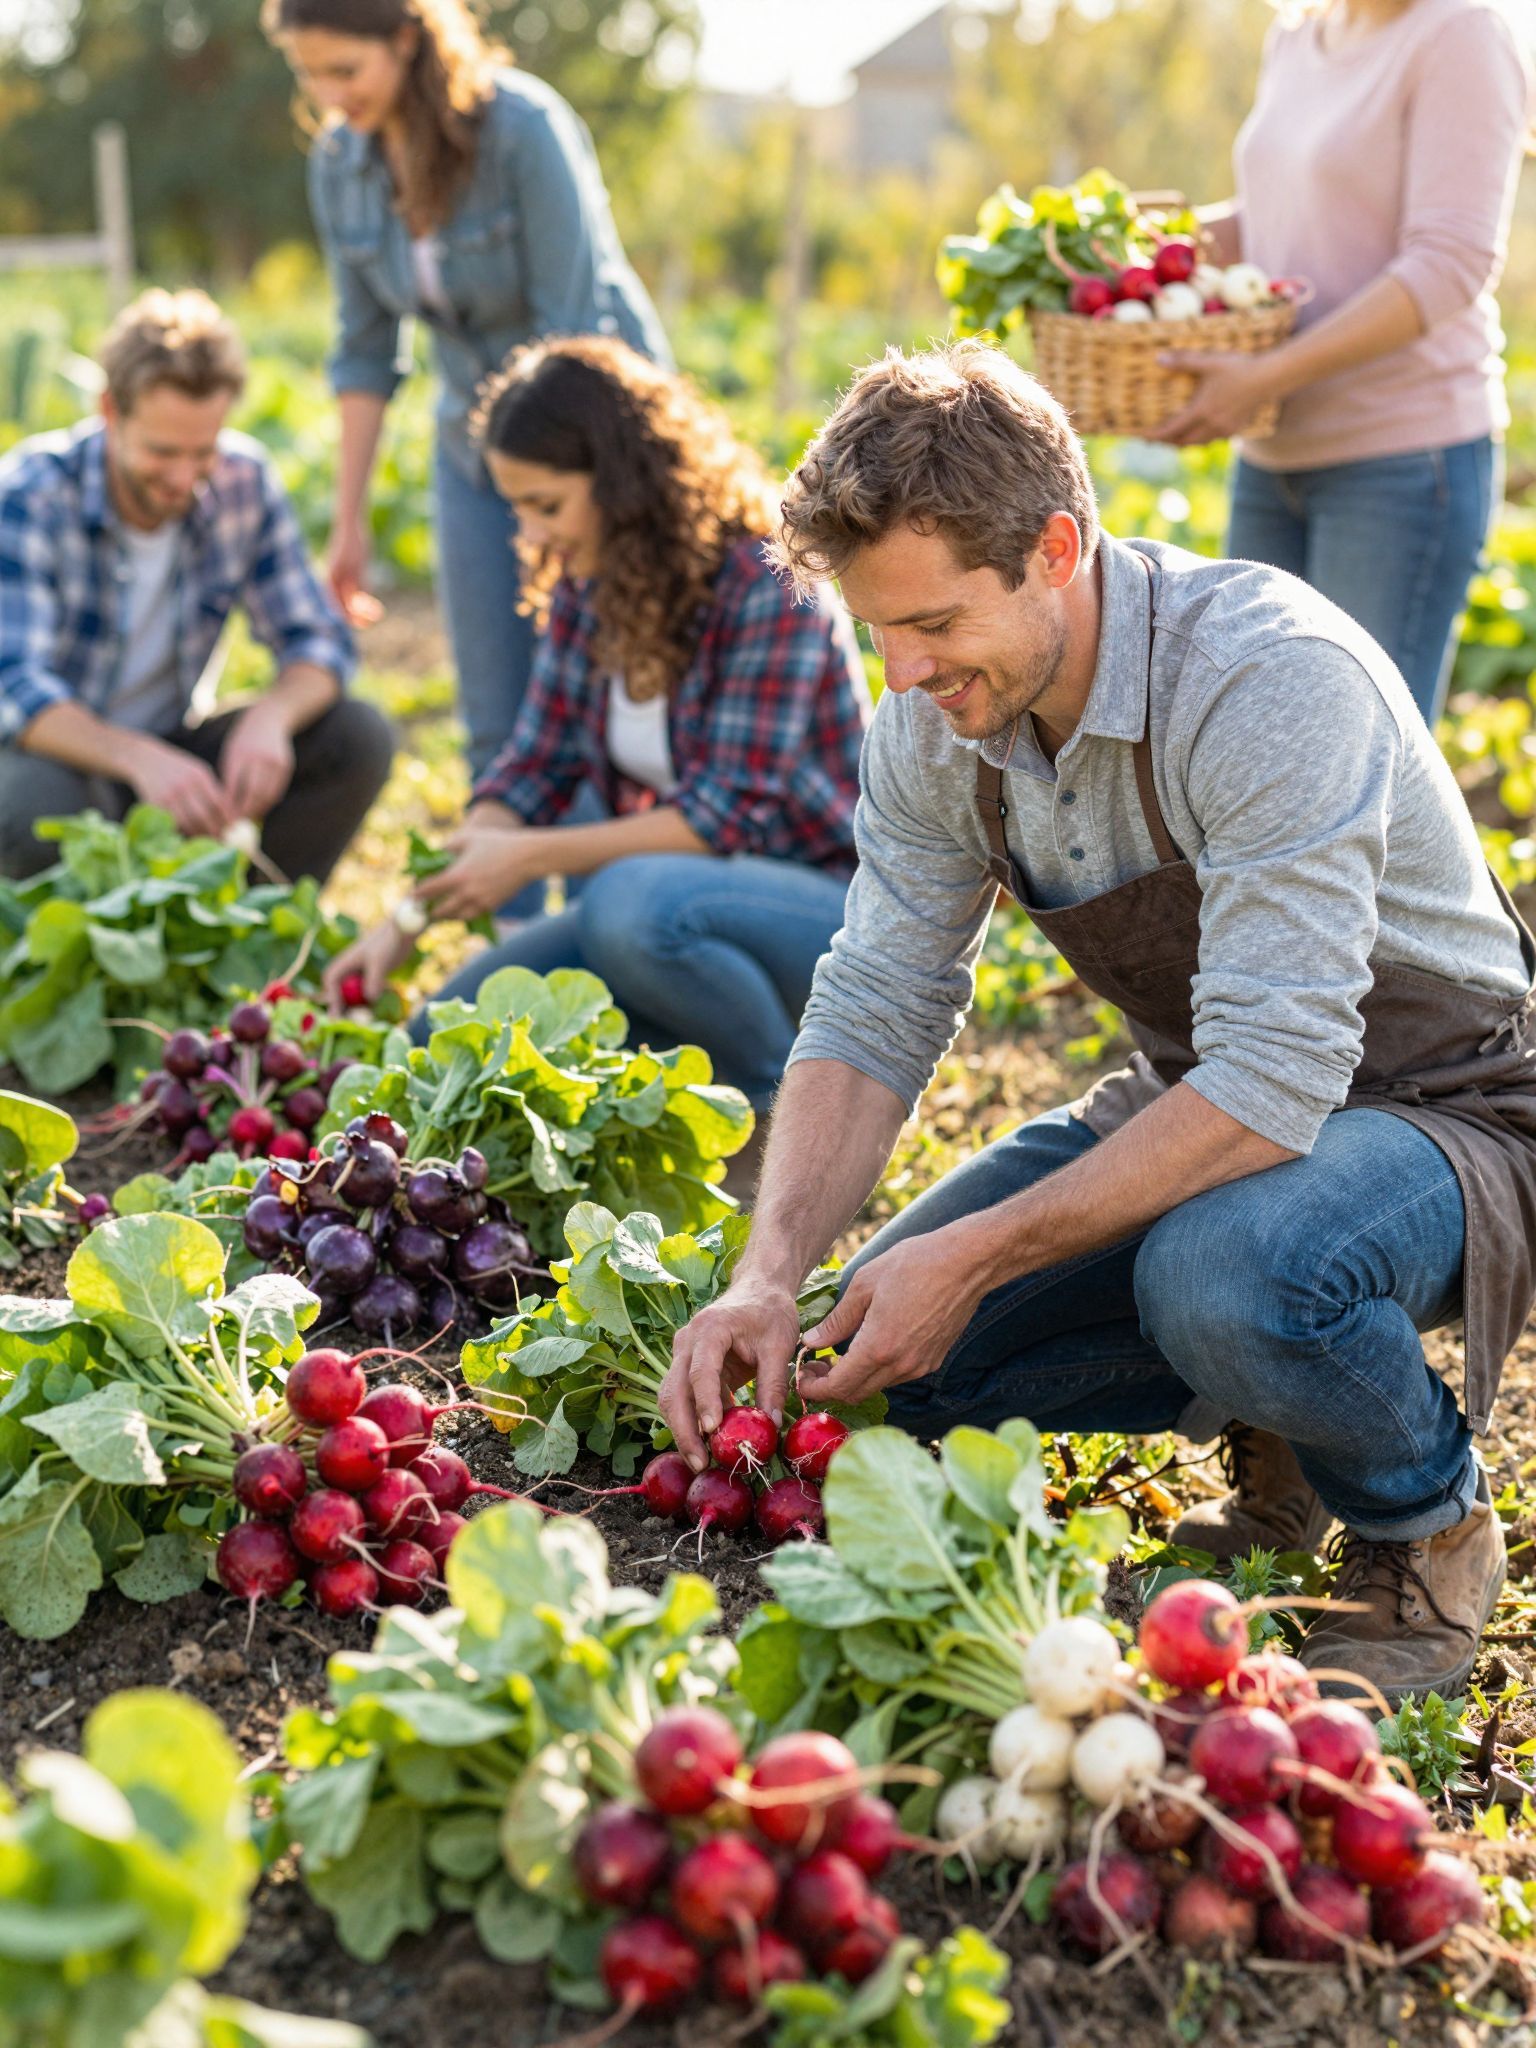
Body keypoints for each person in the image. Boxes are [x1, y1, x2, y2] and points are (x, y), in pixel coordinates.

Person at [662, 341, 1536, 1705]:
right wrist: (771, 1269)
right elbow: (880, 990)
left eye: (935, 624)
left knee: (1231, 1275)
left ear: (1056, 547)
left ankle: (1426, 1524)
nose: (899, 672)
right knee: (889, 1377)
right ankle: (1283, 1420)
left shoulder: (1262, 681)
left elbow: (1276, 1074)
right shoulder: (937, 721)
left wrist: (983, 1250)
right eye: (877, 627)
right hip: (1205, 1095)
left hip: (1448, 1107)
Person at [322, 337, 870, 1118]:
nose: (532, 535)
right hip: (672, 913)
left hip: (820, 908)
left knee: (627, 908)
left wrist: (526, 859)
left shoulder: (766, 580)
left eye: (547, 506)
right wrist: (412, 913)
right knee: (439, 1037)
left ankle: (784, 1104)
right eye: (518, 510)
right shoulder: (593, 579)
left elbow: (725, 817)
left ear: (623, 483)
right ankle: (699, 1071)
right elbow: (534, 766)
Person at [264, 0, 671, 797]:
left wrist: (557, 504)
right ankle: (506, 918)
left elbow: (572, 330)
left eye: (344, 70)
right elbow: (362, 352)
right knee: (493, 713)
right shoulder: (340, 167)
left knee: (587, 707)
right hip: (471, 447)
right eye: (307, 74)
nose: (328, 95)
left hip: (596, 447)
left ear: (408, 40)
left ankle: (587, 914)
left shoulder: (524, 129)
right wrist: (347, 526)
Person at [1151, 0, 1532, 726]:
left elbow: (1451, 262)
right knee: (1252, 739)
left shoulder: (1460, 32)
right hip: (1273, 456)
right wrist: (1158, 240)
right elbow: (1281, 209)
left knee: (1357, 762)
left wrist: (1265, 375)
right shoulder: (1299, 33)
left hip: (1400, 465)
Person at [0, 288, 390, 881]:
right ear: (110, 410)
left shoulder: (243, 481)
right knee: (35, 805)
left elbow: (320, 641)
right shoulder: (30, 494)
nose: (184, 478)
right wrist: (136, 759)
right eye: (162, 452)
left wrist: (272, 719)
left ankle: (253, 929)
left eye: (201, 452)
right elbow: (13, 687)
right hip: (62, 758)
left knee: (356, 736)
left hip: (174, 750)